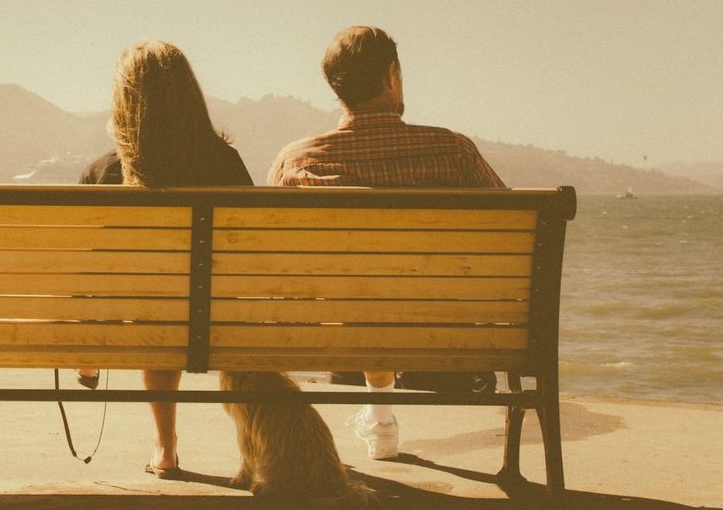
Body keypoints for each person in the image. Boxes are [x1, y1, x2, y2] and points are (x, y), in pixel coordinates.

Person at [268, 25, 505, 461]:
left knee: (356, 312)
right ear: (392, 75)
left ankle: (378, 408)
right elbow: (510, 245)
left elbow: (271, 262)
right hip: (446, 347)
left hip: (342, 345)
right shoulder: (453, 151)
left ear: (336, 89)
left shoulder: (296, 162)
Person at [76, 40, 253, 478]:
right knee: (176, 304)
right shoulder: (225, 163)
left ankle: (165, 446)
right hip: (219, 319)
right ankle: (257, 449)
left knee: (154, 311)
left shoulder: (104, 173)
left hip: (143, 318)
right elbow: (248, 253)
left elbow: (83, 267)